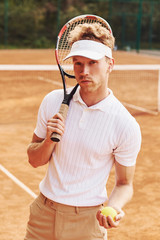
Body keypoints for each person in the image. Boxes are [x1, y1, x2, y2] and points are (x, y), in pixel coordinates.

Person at [24, 20, 141, 240]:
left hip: (86, 223)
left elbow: (125, 184)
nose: (84, 71)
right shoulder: (52, 102)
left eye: (92, 62)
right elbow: (33, 159)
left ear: (110, 64)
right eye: (77, 63)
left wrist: (114, 208)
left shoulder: (125, 125)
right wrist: (49, 141)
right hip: (43, 214)